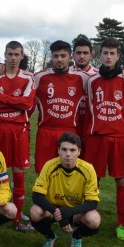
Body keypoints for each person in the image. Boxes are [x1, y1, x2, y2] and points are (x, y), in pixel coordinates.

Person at [83, 38, 124, 240]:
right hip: (97, 139)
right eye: (105, 53)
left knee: (122, 180)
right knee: (93, 180)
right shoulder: (91, 81)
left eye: (112, 53)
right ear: (100, 55)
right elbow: (89, 113)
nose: (108, 57)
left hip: (120, 138)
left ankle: (121, 223)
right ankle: (90, 217)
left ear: (118, 56)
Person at [0, 40, 36, 232]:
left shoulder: (28, 78)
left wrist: (3, 98)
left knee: (19, 173)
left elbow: (27, 104)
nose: (13, 58)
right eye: (10, 54)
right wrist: (16, 102)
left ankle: (17, 219)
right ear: (4, 55)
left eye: (17, 55)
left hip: (19, 131)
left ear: (22, 56)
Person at [30, 132, 101, 247]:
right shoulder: (49, 166)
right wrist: (59, 214)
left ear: (79, 151)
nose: (68, 154)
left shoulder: (88, 169)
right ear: (58, 150)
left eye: (72, 150)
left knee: (94, 220)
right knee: (35, 212)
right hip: (52, 211)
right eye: (64, 149)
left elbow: (93, 202)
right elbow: (36, 196)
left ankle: (76, 237)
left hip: (75, 212)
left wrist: (68, 212)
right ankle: (50, 237)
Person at [32, 40, 86, 174]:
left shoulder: (82, 78)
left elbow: (104, 78)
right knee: (43, 171)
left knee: (69, 172)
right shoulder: (39, 77)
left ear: (70, 57)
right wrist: (0, 66)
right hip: (46, 131)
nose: (59, 59)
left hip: (70, 131)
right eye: (56, 56)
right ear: (51, 57)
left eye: (63, 56)